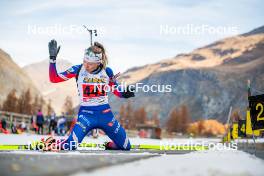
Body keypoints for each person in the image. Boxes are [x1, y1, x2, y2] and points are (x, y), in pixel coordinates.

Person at [46, 39, 134, 151]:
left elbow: (116, 90)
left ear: (98, 63)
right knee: (70, 146)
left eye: (90, 64)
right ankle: (52, 143)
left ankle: (109, 145)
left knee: (126, 147)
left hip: (106, 116)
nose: (86, 65)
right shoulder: (77, 69)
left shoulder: (107, 72)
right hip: (86, 116)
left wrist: (125, 92)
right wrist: (52, 59)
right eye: (84, 61)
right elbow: (54, 78)